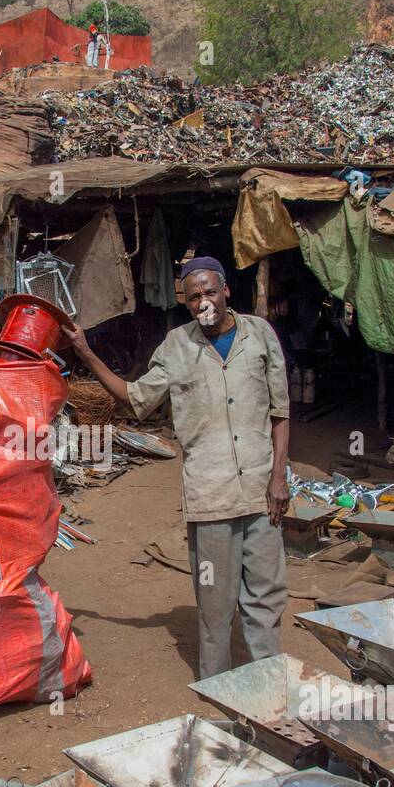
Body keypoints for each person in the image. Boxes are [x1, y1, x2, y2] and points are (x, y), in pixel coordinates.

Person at [63, 255, 290, 680]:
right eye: (193, 296)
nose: (204, 302)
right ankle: (217, 685)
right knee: (215, 601)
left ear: (226, 291)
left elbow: (280, 412)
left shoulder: (260, 334)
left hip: (262, 489)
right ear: (184, 302)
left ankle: (268, 682)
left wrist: (279, 476)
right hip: (210, 494)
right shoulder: (175, 346)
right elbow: (134, 398)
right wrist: (85, 352)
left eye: (210, 292)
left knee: (266, 596)